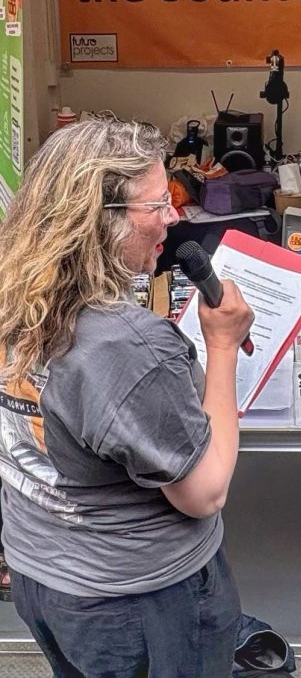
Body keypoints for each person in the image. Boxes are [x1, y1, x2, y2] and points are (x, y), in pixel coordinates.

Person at [0, 119, 254, 677]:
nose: (175, 217)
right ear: (98, 221)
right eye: (158, 204)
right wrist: (223, 346)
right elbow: (204, 492)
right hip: (136, 600)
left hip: (40, 573)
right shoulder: (123, 344)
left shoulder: (14, 292)